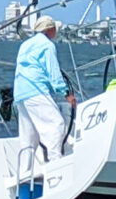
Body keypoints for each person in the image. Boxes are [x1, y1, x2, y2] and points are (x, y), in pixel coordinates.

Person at [12, 15, 75, 174]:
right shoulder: (47, 45)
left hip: (20, 93)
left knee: (28, 137)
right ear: (50, 29)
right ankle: (56, 166)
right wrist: (66, 93)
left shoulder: (25, 44)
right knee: (56, 125)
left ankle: (24, 174)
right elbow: (53, 72)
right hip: (35, 90)